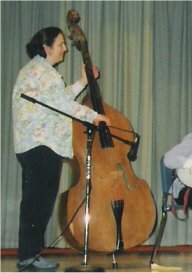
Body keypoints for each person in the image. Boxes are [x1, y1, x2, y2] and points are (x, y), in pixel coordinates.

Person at [12, 27, 110, 271]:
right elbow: (63, 105)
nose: (65, 49)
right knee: (37, 204)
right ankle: (28, 258)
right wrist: (95, 116)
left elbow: (58, 99)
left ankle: (30, 255)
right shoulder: (42, 72)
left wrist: (82, 83)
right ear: (46, 48)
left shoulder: (40, 71)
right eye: (60, 44)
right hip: (41, 145)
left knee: (37, 203)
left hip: (37, 145)